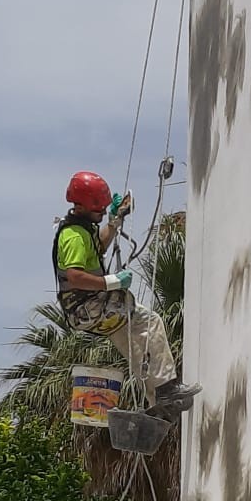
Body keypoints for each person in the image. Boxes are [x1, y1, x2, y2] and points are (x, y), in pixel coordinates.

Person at [53, 170, 200, 415]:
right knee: (148, 321)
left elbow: (98, 248)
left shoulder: (82, 229)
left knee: (130, 338)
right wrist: (111, 282)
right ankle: (166, 390)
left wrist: (113, 221)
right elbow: (75, 276)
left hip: (85, 309)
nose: (101, 212)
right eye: (98, 209)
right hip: (87, 306)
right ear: (84, 205)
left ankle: (158, 402)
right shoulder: (73, 236)